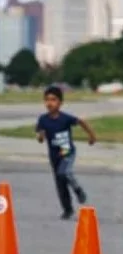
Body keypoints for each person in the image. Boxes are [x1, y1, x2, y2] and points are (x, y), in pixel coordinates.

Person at [35, 85, 96, 220]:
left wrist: (91, 136)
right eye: (47, 100)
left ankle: (78, 190)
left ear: (60, 103)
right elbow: (40, 135)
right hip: (54, 156)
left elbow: (81, 122)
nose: (49, 103)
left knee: (65, 172)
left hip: (67, 153)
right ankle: (67, 209)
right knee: (60, 183)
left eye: (53, 100)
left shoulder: (65, 118)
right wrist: (40, 136)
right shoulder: (43, 119)